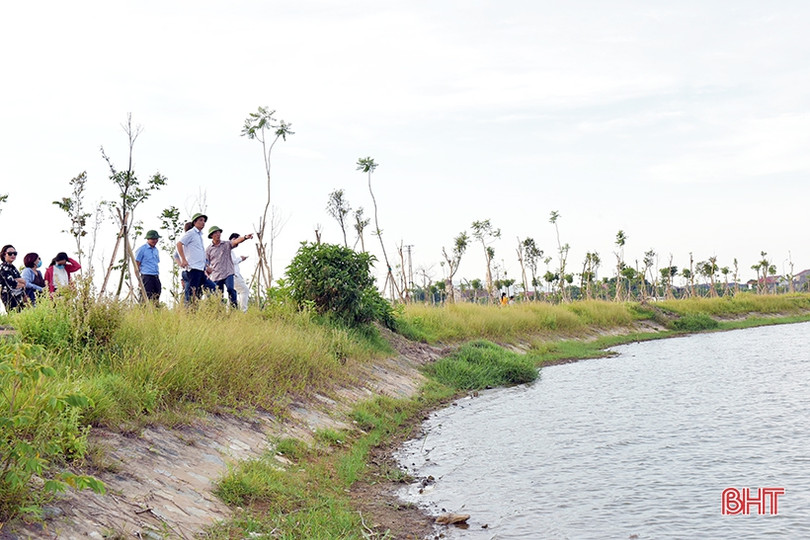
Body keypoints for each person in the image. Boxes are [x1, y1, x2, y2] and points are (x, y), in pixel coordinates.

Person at [205, 226, 252, 307]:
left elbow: (236, 241)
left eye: (219, 232)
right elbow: (206, 262)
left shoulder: (226, 244)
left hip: (228, 272)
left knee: (230, 289)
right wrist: (206, 272)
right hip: (216, 275)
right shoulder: (209, 249)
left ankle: (234, 308)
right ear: (211, 235)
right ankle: (220, 312)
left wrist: (245, 237)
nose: (218, 234)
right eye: (215, 233)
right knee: (219, 295)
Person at [176, 213, 208, 303]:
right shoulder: (191, 233)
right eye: (200, 220)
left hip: (200, 268)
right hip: (193, 268)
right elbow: (179, 244)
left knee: (200, 291)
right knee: (192, 292)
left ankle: (195, 310)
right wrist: (183, 259)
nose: (203, 223)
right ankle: (190, 311)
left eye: (204, 221)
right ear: (194, 222)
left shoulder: (199, 235)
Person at [136, 230, 162, 304]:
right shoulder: (142, 249)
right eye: (152, 239)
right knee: (145, 297)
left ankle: (155, 312)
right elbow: (136, 264)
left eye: (156, 239)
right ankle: (143, 313)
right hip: (146, 276)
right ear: (148, 239)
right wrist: (139, 279)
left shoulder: (156, 250)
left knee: (156, 295)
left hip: (155, 276)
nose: (155, 241)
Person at [0, 245, 26, 311]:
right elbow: (13, 284)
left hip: (19, 298)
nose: (13, 255)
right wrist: (21, 282)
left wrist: (20, 281)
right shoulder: (3, 268)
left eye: (15, 253)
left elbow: (23, 283)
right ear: (4, 254)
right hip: (10, 298)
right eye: (10, 253)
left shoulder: (13, 268)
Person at [229, 233, 250, 312]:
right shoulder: (229, 250)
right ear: (234, 239)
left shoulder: (229, 250)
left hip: (232, 275)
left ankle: (230, 311)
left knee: (232, 293)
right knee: (244, 291)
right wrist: (241, 258)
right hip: (234, 275)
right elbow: (233, 261)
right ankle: (243, 311)